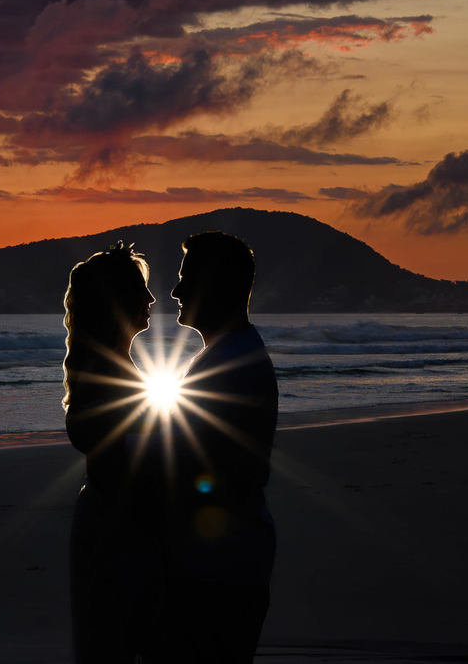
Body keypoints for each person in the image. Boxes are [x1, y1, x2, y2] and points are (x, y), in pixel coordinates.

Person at [160, 230, 279, 662]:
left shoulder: (230, 365)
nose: (175, 290)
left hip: (220, 567)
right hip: (228, 559)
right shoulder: (225, 355)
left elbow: (204, 469)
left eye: (186, 278)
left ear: (216, 287)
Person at [62, 243, 161, 663]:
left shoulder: (108, 369)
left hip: (113, 525)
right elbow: (134, 470)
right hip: (117, 533)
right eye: (141, 290)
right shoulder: (111, 376)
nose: (152, 299)